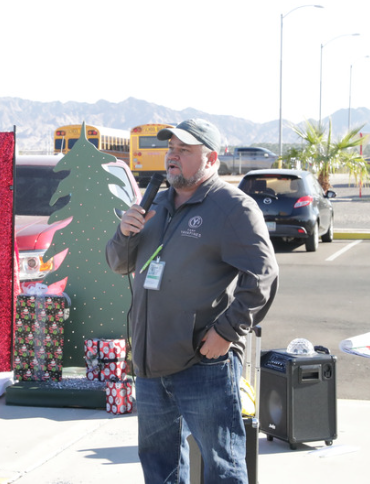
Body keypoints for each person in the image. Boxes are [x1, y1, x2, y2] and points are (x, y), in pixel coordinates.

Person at [106, 118, 279, 484]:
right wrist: (125, 233)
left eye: (185, 150)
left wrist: (226, 333)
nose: (173, 156)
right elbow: (118, 263)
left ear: (211, 158)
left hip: (203, 366)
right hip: (151, 365)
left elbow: (262, 276)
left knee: (222, 467)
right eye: (171, 149)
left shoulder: (232, 207)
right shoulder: (154, 202)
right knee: (159, 466)